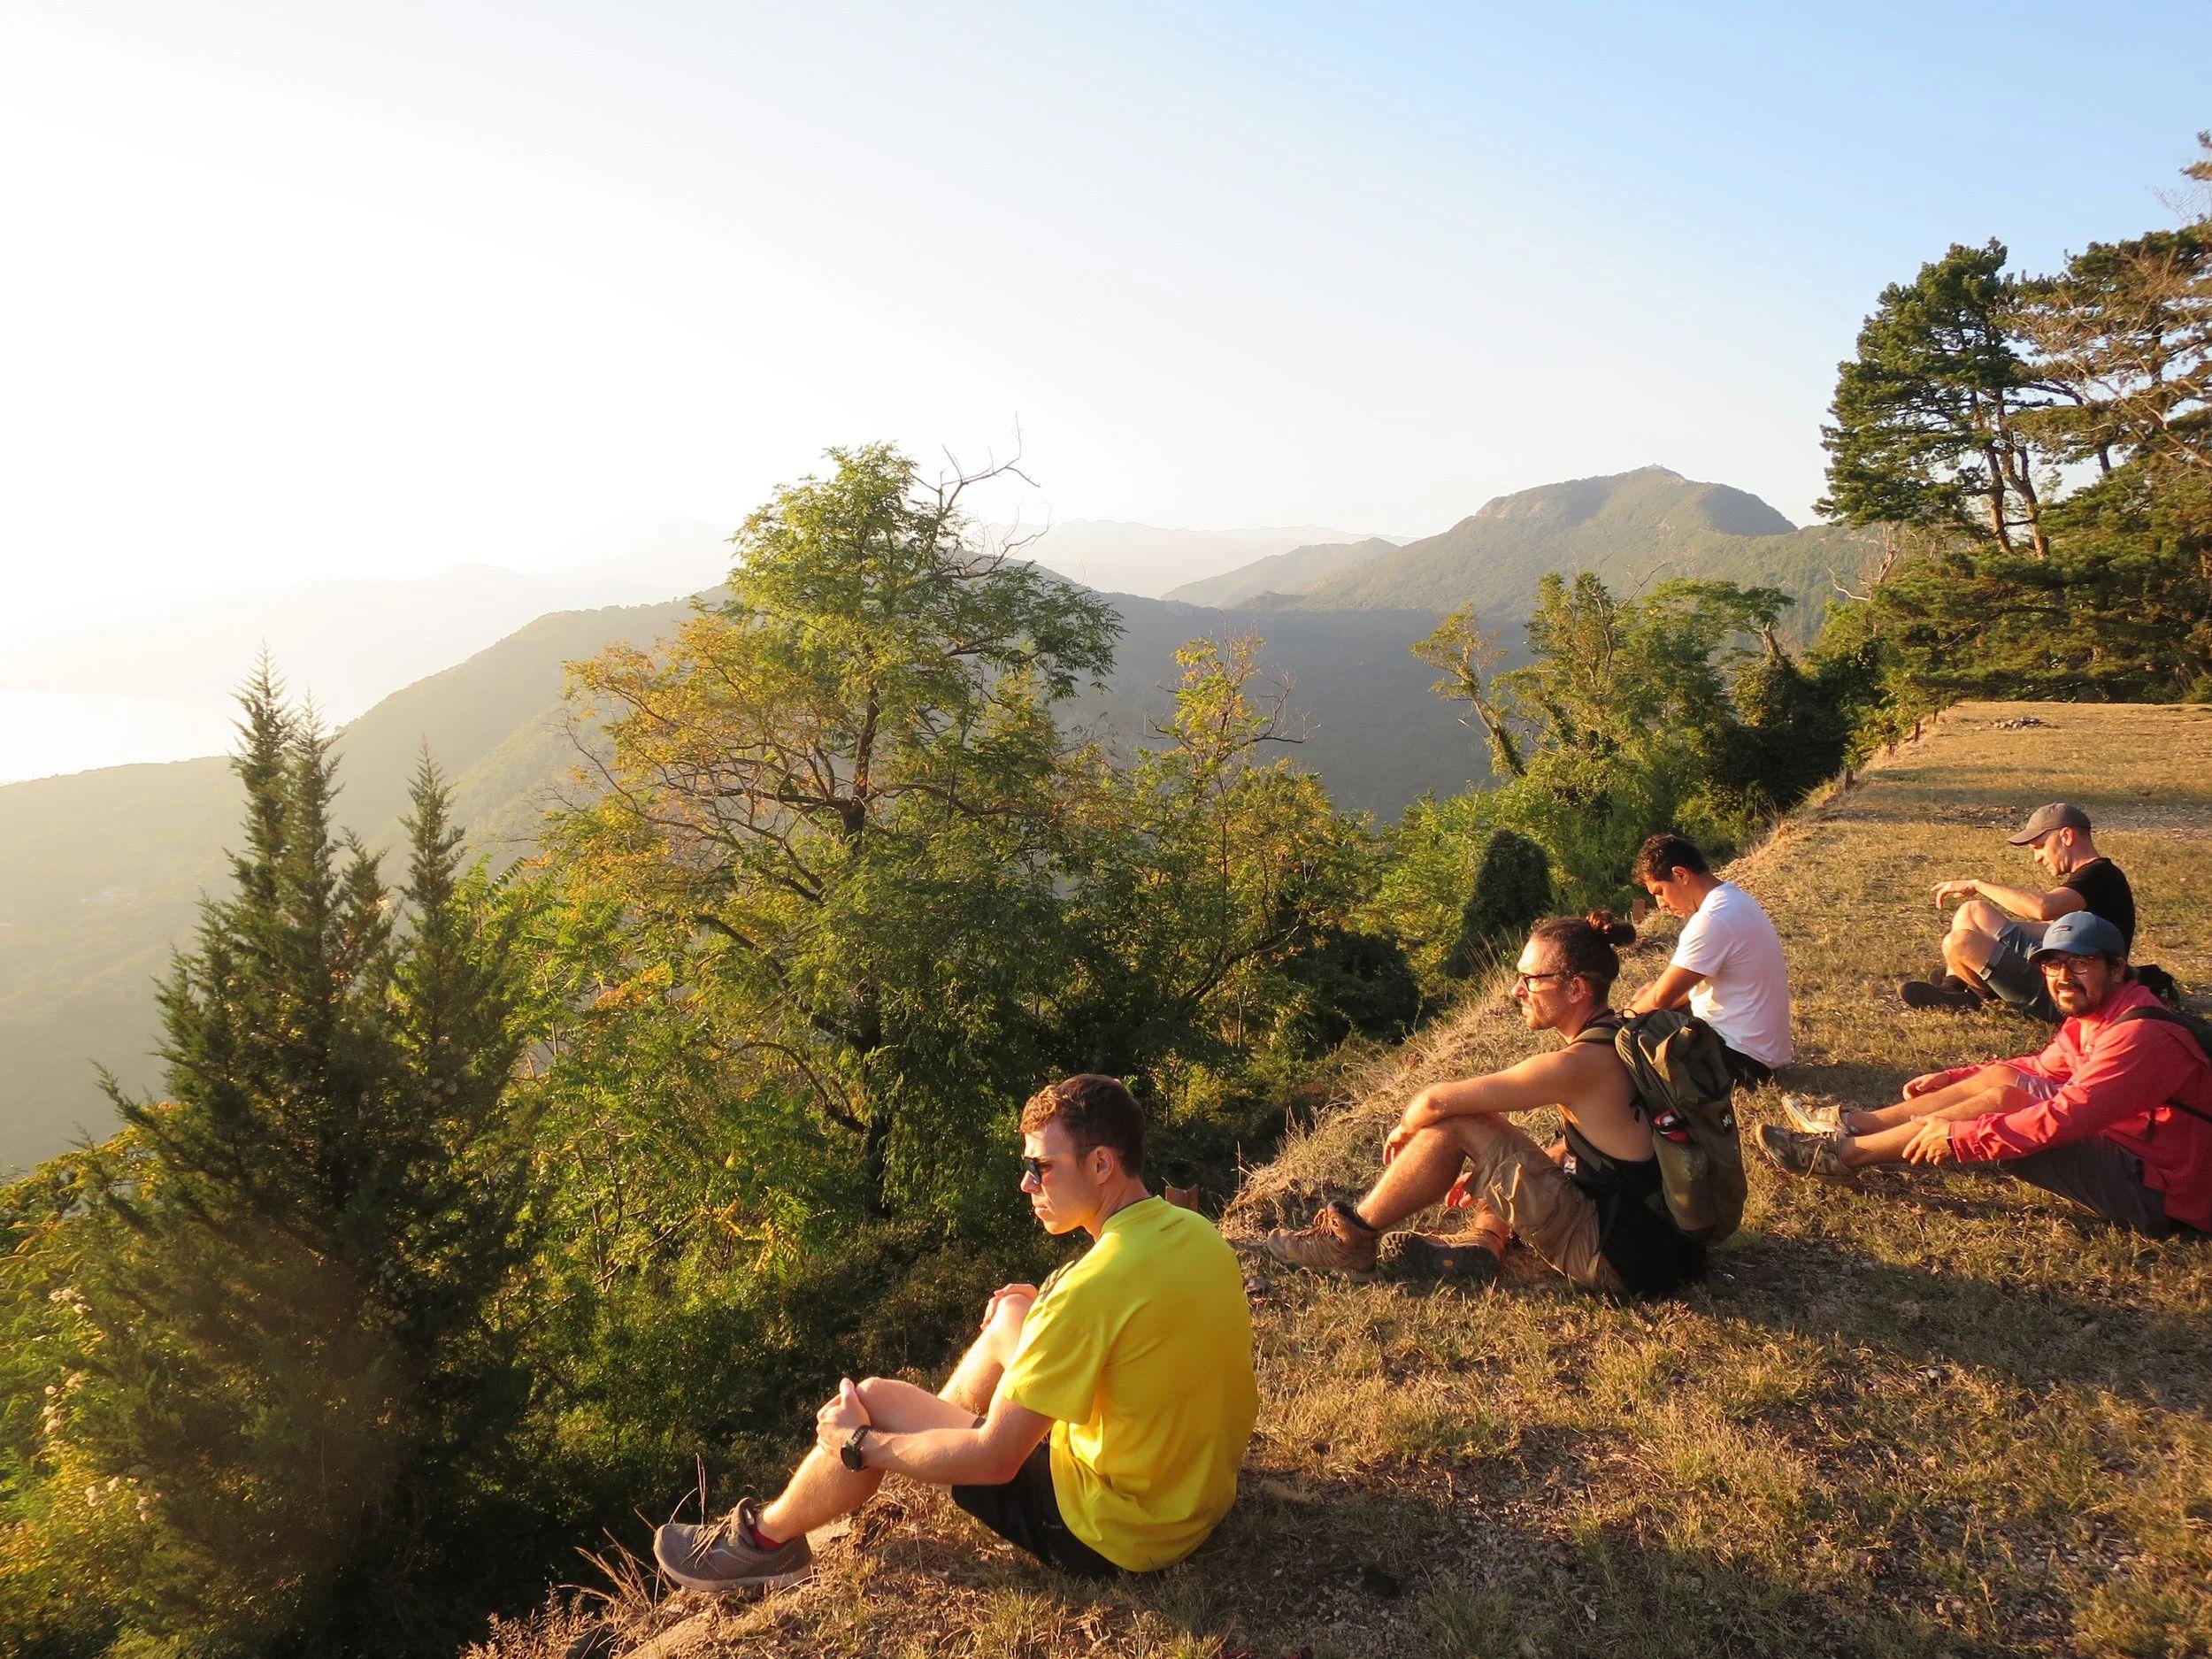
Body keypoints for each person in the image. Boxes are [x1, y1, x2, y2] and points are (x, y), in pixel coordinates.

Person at [654, 1075, 1258, 1594]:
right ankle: (925, 1452)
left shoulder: (1088, 1290)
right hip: (1192, 1502)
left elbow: (998, 1460)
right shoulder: (1193, 1231)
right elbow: (1126, 1330)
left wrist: (864, 1443)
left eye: (1040, 1166)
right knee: (1009, 1318)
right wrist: (1037, 1303)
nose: (1027, 1183)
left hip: (1118, 1536)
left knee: (875, 1400)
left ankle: (763, 1540)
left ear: (1102, 1164)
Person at [1263, 913, 1707, 1298]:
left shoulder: (1579, 1065)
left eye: (1531, 979)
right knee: (1514, 1141)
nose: (1517, 990)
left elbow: (1436, 1100)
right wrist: (1497, 1169)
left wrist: (1405, 1130)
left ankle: (1350, 1239)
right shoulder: (1623, 1037)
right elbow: (1611, 1154)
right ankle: (1483, 1237)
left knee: (1460, 1122)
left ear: (1575, 989)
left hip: (1617, 1257)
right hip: (1664, 1247)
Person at [1760, 913, 2212, 1239]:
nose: (2062, 976)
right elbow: (2040, 1068)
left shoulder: (2142, 1036)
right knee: (2003, 1078)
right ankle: (1858, 1124)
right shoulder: (2103, 1012)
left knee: (2005, 1102)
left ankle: (1844, 1155)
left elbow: (2066, 1117)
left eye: (2081, 963)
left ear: (2116, 968)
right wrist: (1954, 1076)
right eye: (2052, 964)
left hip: (2164, 1193)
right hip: (2138, 1150)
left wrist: (1958, 1137)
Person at [1903, 802, 2135, 1018]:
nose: (2037, 858)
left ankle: (1968, 992)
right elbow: (2054, 930)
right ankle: (1953, 987)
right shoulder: (2095, 878)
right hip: (2066, 973)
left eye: (2040, 846)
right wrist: (1987, 931)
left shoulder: (2100, 876)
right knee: (1971, 916)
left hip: (2070, 987)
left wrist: (1978, 885)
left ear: (2066, 836)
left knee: (1961, 939)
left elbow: (2043, 908)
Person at [1628, 833, 1792, 1087]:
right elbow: (1669, 990)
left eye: (1660, 892)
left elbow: (1662, 998)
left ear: (1681, 875)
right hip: (1759, 1050)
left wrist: (1619, 1022)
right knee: (1649, 998)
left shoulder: (1713, 919)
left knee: (1634, 1037)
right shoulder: (1733, 900)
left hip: (1742, 1060)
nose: (1661, 904)